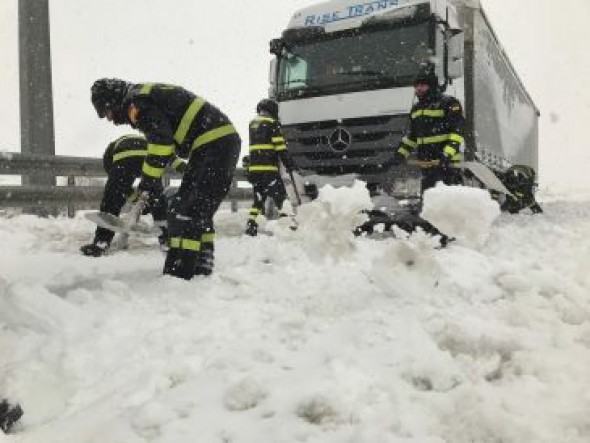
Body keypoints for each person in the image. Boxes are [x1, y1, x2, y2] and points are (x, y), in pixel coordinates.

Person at [90, 79, 240, 279]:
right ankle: (201, 264)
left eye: (106, 112)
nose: (108, 119)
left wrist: (148, 181)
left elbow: (161, 142)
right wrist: (155, 178)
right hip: (211, 144)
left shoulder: (138, 104)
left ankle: (181, 271)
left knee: (187, 210)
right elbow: (164, 146)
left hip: (213, 143)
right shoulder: (142, 97)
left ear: (112, 101)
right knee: (190, 207)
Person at [80, 134, 186, 257]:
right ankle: (167, 242)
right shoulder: (147, 138)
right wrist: (182, 166)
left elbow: (121, 186)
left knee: (112, 198)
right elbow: (165, 152)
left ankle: (101, 243)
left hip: (124, 157)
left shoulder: (111, 151)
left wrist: (130, 195)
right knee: (157, 199)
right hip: (149, 157)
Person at [391, 68, 465, 191]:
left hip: (448, 165)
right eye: (416, 86)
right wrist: (400, 153)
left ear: (432, 86)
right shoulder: (416, 109)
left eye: (423, 85)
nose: (418, 89)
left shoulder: (449, 103)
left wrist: (446, 154)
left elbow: (457, 133)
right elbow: (413, 137)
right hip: (427, 166)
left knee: (448, 202)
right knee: (429, 203)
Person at [244, 98, 297, 236]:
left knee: (258, 200)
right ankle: (288, 226)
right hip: (269, 170)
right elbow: (280, 147)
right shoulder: (272, 124)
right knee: (280, 197)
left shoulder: (252, 124)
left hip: (254, 170)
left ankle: (251, 226)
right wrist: (289, 163)